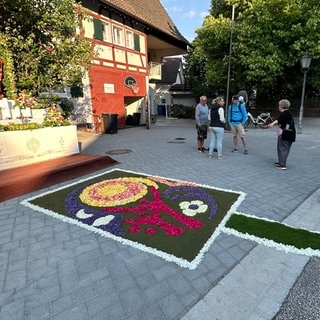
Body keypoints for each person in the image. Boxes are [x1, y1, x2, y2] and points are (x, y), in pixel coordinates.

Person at [267, 99, 296, 170]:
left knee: (282, 148)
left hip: (285, 134)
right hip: (291, 133)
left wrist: (272, 123)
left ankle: (282, 164)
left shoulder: (284, 113)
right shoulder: (289, 113)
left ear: (281, 106)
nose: (278, 107)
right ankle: (281, 162)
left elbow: (279, 120)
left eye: (279, 105)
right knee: (285, 148)